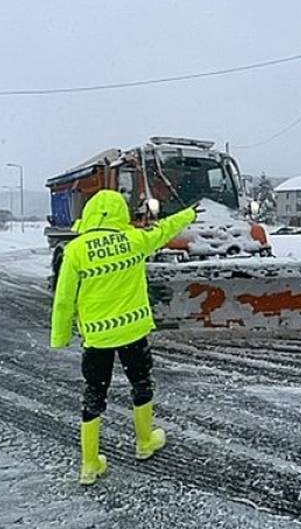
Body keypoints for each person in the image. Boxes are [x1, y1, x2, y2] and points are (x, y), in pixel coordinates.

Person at [50, 189, 197, 486]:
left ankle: (89, 464)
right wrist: (189, 214)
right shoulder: (135, 240)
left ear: (90, 214)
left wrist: (61, 336)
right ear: (120, 213)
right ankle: (144, 442)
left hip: (97, 338)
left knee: (94, 393)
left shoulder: (75, 250)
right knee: (141, 383)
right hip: (133, 331)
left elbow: (64, 299)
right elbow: (164, 228)